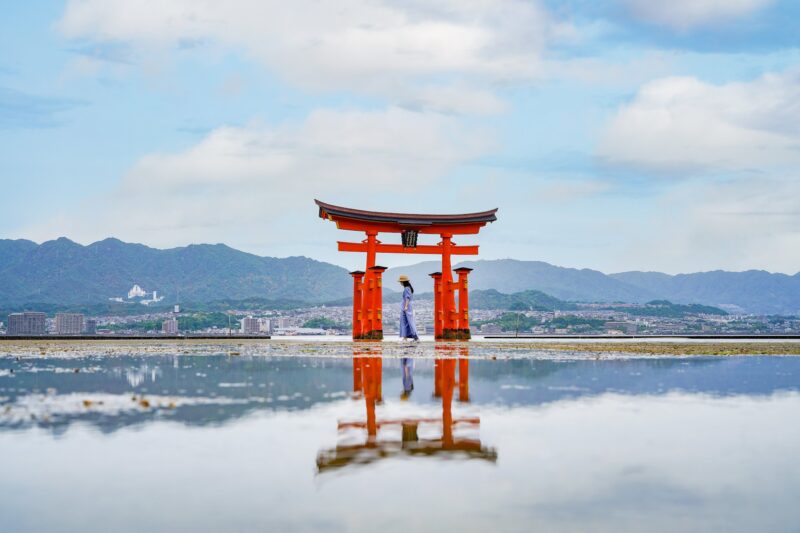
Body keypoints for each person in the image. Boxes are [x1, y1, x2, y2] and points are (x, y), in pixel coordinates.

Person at [398, 274, 419, 341]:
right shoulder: (408, 288)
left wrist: (406, 306)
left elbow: (407, 298)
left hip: (406, 306)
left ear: (403, 282)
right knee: (408, 321)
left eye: (401, 282)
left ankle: (413, 337)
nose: (400, 283)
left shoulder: (407, 288)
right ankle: (406, 337)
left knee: (407, 321)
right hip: (407, 306)